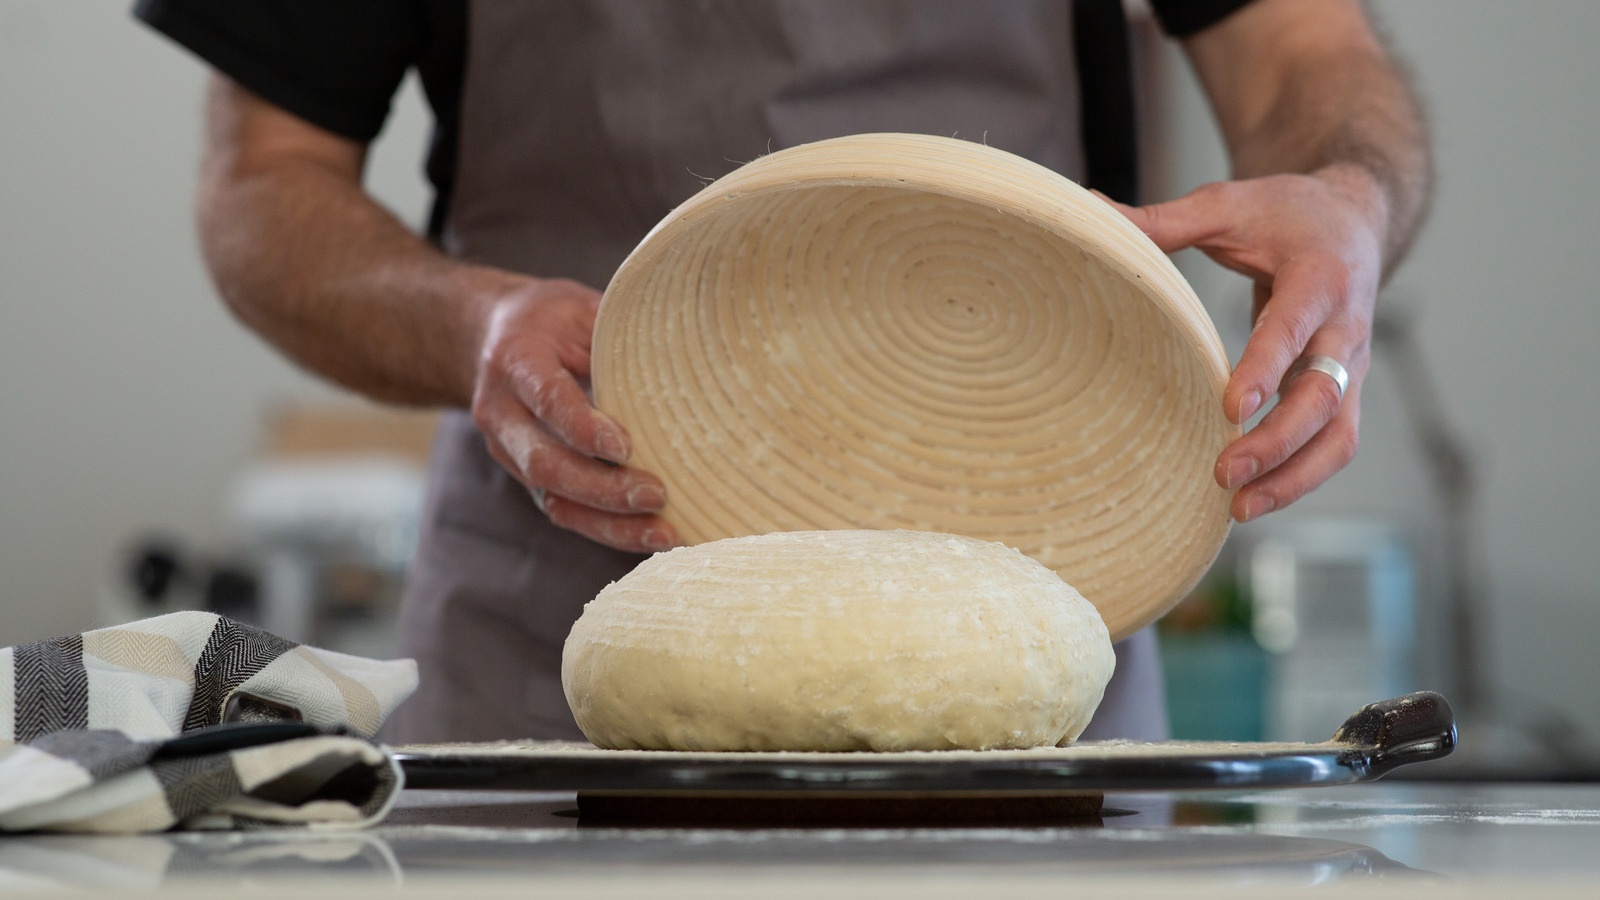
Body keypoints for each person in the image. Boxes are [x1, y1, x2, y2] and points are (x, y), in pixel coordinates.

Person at [135, 0, 1430, 743]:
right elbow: (263, 188)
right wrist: (472, 326)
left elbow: (1316, 60)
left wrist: (1348, 205)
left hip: (1034, 682)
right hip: (550, 647)